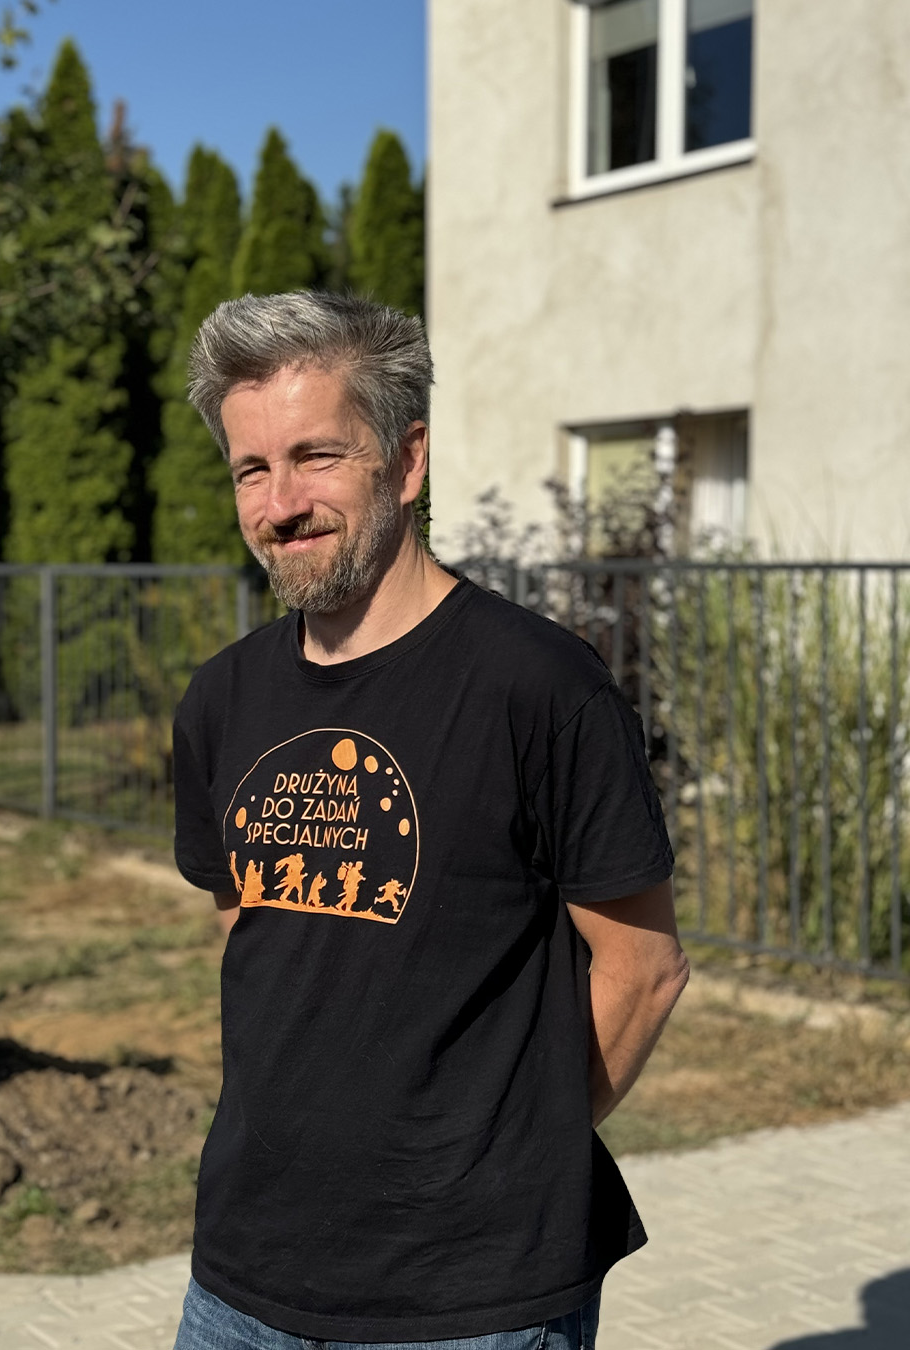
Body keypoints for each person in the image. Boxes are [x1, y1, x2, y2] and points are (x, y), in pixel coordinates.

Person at [170, 291, 689, 1350]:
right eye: (251, 469)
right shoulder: (221, 699)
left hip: (470, 1304)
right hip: (242, 1282)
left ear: (407, 462)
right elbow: (252, 930)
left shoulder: (539, 686)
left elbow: (643, 971)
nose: (280, 503)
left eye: (316, 456)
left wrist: (498, 1157)